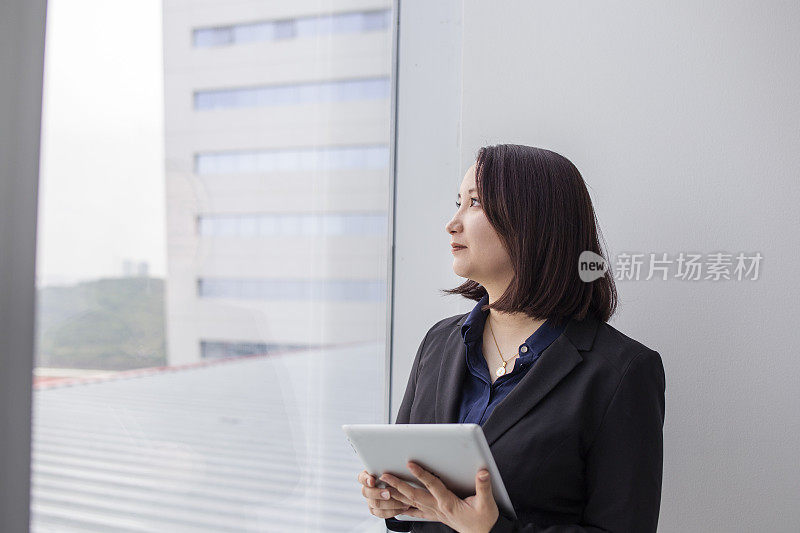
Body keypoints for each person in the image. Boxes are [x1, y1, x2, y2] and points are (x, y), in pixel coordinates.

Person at [357, 144, 666, 532]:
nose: (452, 223)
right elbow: (411, 491)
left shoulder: (621, 372)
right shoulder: (439, 343)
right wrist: (391, 499)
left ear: (533, 222)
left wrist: (493, 530)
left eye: (475, 203)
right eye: (458, 202)